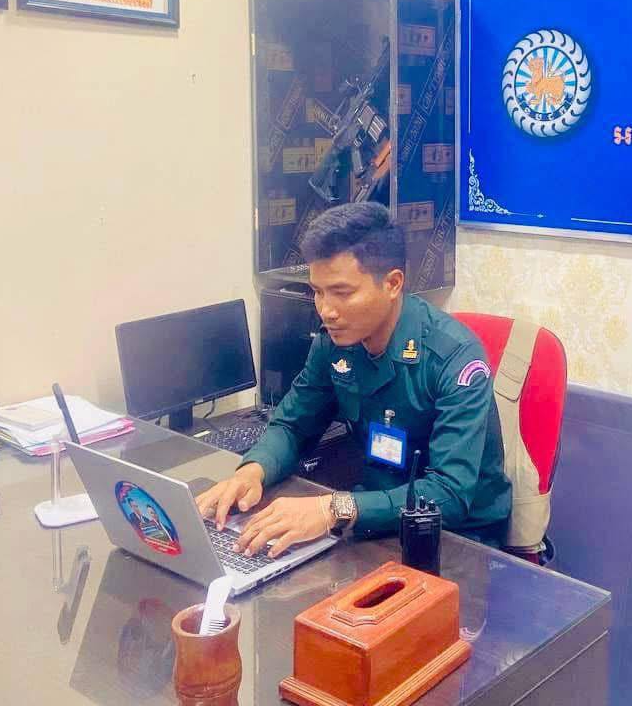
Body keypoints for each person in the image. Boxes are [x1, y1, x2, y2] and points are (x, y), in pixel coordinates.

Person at [195, 202, 511, 558]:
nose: (326, 310)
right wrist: (252, 472)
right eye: (318, 291)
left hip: (457, 537)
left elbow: (450, 494)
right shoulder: (333, 343)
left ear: (392, 284)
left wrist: (333, 509)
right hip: (371, 516)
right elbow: (292, 425)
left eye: (342, 293)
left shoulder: (454, 356)